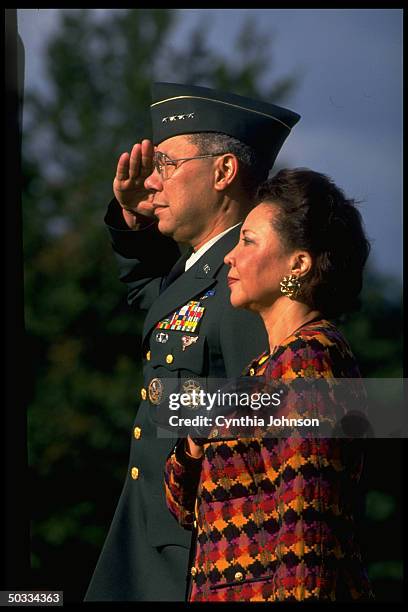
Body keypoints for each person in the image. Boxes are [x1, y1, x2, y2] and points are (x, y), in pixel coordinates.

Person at [84, 83, 300, 601]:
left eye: (167, 165)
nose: (152, 182)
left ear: (223, 172)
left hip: (198, 558)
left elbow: (279, 412)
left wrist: (175, 409)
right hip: (155, 542)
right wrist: (136, 222)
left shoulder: (244, 281)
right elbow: (157, 300)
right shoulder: (203, 266)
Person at [164, 168, 375, 602]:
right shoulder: (265, 368)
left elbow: (308, 532)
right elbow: (186, 507)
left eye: (248, 241)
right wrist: (194, 438)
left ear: (298, 265)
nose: (229, 257)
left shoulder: (309, 360)